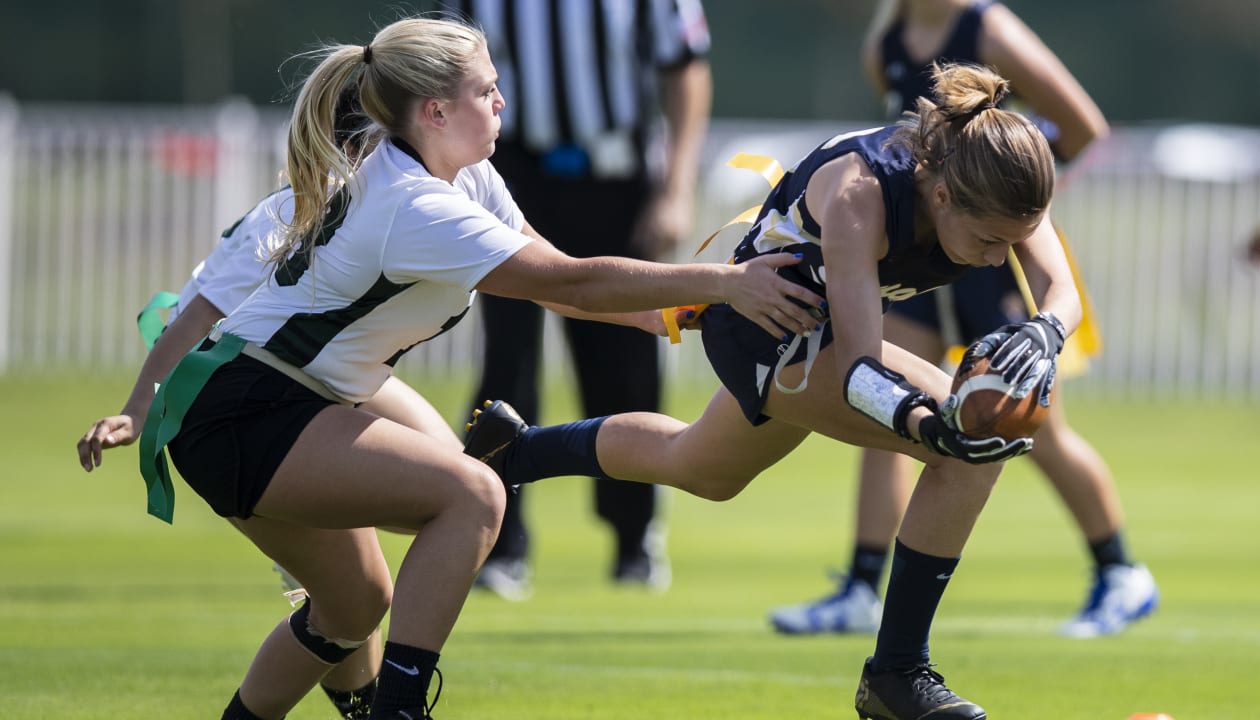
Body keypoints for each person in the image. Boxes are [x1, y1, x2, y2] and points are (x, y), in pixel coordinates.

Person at [131, 17, 822, 720]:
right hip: (246, 410)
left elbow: (570, 284)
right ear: (435, 111)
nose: (501, 103)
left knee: (354, 606)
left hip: (271, 404)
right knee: (472, 496)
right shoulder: (415, 204)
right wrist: (726, 283)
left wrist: (685, 308)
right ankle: (400, 710)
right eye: (487, 90)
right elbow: (573, 281)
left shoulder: (462, 176)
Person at [465, 61, 1080, 720]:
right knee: (964, 448)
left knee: (700, 467)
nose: (997, 259)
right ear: (940, 198)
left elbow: (1062, 292)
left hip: (821, 337)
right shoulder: (860, 197)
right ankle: (897, 673)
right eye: (989, 242)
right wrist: (925, 425)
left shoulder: (999, 169)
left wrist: (1045, 331)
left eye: (1008, 242)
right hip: (764, 325)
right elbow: (861, 371)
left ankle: (516, 451)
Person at [768, 0, 1158, 641]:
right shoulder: (886, 41)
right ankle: (864, 585)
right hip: (925, 246)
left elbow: (1083, 126)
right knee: (887, 399)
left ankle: (1120, 571)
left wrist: (1001, 193)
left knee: (1025, 421)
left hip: (987, 243)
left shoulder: (987, 27)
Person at [76, 87, 452, 720]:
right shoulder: (302, 208)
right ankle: (364, 702)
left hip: (312, 383)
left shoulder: (385, 196)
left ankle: (361, 692)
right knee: (359, 592)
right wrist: (139, 410)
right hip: (239, 394)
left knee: (439, 490)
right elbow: (194, 317)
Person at [438, 0, 713, 597]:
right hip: (509, 172)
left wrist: (677, 188)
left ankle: (634, 536)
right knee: (506, 364)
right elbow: (442, 67)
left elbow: (686, 67)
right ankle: (498, 540)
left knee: (625, 359)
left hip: (615, 176)